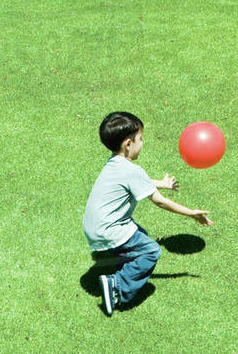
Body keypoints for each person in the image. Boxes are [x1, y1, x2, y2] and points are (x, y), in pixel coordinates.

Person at [83, 111, 213, 315]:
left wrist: (162, 183)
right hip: (109, 230)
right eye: (140, 139)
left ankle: (124, 265)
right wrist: (191, 213)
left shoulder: (114, 164)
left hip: (95, 227)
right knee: (151, 251)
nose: (142, 143)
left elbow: (137, 182)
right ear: (128, 143)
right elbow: (160, 202)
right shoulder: (133, 171)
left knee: (139, 234)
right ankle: (117, 286)